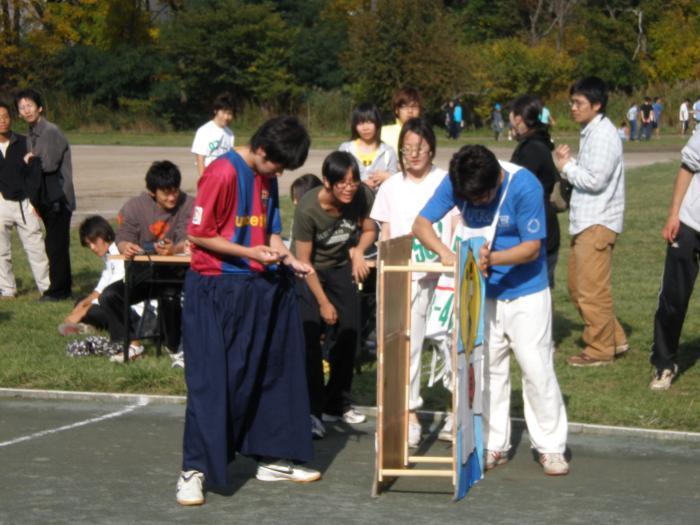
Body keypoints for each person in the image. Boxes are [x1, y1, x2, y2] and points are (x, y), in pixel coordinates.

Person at [176, 116, 320, 506]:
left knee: (273, 370)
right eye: (278, 164)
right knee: (213, 380)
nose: (280, 172)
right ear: (260, 149)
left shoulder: (267, 176)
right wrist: (249, 252)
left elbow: (270, 231)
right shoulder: (222, 172)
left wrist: (289, 259)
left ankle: (272, 456)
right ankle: (194, 470)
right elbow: (198, 233)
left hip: (259, 285)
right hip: (216, 287)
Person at [413, 144, 569, 477]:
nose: (477, 204)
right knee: (488, 370)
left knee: (536, 368)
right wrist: (447, 254)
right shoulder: (459, 179)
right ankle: (494, 442)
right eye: (470, 199)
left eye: (483, 197)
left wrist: (491, 259)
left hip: (526, 292)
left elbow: (532, 248)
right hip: (481, 292)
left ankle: (551, 446)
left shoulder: (524, 185)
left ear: (496, 178)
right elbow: (421, 223)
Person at [370, 117, 455, 448]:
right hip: (406, 276)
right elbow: (386, 233)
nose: (414, 154)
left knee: (450, 342)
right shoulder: (391, 187)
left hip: (444, 275)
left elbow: (458, 223)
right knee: (408, 345)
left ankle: (457, 409)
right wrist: (386, 273)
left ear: (431, 148)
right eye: (407, 149)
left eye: (419, 147)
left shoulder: (446, 181)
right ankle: (409, 415)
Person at [293, 151, 375, 436]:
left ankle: (336, 403)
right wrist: (324, 303)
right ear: (327, 182)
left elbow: (369, 229)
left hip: (340, 266)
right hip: (309, 272)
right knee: (311, 338)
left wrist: (359, 252)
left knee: (350, 332)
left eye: (354, 181)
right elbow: (304, 263)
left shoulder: (361, 196)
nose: (349, 188)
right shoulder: (308, 209)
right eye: (342, 182)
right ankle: (312, 411)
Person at [554, 76, 628, 367]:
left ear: (596, 105)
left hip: (597, 222)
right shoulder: (592, 132)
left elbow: (595, 180)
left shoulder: (603, 135)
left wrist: (566, 167)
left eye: (579, 103)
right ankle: (615, 338)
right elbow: (591, 173)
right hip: (587, 222)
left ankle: (599, 349)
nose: (573, 108)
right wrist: (570, 163)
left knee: (591, 291)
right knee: (577, 287)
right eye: (572, 102)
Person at [98, 161, 193, 364]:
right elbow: (123, 236)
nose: (172, 197)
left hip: (177, 272)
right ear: (152, 192)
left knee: (169, 295)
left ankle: (174, 346)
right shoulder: (134, 207)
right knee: (109, 296)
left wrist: (174, 249)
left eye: (175, 191)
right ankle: (132, 343)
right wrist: (126, 247)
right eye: (166, 193)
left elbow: (187, 238)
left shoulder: (189, 204)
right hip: (144, 271)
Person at [649, 132, 700, 390]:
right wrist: (673, 214)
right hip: (690, 223)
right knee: (673, 297)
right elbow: (687, 167)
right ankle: (664, 363)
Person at [15, 88, 75, 301]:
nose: (26, 110)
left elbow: (48, 164)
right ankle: (61, 288)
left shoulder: (49, 131)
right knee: (54, 245)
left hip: (59, 198)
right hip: (47, 198)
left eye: (30, 105)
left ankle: (59, 291)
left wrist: (30, 159)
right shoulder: (32, 132)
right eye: (22, 107)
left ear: (39, 107)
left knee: (56, 246)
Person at [59, 216, 141, 339]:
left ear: (104, 236)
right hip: (114, 300)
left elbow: (111, 294)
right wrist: (83, 304)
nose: (92, 248)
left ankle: (90, 324)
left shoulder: (119, 254)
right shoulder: (108, 256)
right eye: (88, 244)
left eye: (94, 242)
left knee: (95, 309)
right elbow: (100, 288)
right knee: (82, 301)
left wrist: (82, 312)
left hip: (133, 310)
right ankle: (90, 326)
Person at [509, 95, 561, 289]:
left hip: (537, 228)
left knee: (536, 292)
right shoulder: (539, 142)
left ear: (518, 119)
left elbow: (518, 190)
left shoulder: (530, 149)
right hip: (544, 225)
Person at [0, 101, 49, 299]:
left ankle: (47, 288)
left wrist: (35, 201)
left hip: (25, 203)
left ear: (11, 118)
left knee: (36, 248)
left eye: (5, 116)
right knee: (1, 251)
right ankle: (7, 289)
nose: (2, 121)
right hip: (1, 203)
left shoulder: (24, 142)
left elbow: (35, 174)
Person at [339, 103, 397, 190]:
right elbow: (338, 177)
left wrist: (387, 177)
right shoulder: (346, 150)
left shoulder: (388, 152)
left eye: (369, 122)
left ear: (377, 123)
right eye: (360, 123)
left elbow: (397, 182)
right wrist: (359, 183)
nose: (365, 128)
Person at [191, 92, 235, 176]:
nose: (226, 117)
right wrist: (203, 179)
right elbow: (200, 159)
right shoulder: (204, 131)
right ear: (215, 111)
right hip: (209, 176)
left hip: (224, 177)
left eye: (229, 114)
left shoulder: (230, 134)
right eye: (223, 112)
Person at [380, 87, 422, 154]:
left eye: (414, 107)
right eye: (405, 107)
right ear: (396, 110)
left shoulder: (424, 134)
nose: (410, 111)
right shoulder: (383, 133)